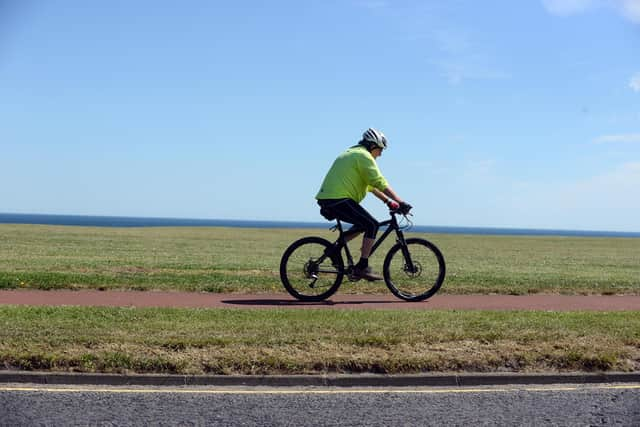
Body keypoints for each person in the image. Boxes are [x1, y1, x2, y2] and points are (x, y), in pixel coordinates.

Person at [316, 128, 412, 281]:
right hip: (338, 199)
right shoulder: (364, 156)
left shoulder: (353, 153)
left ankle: (334, 249)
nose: (380, 154)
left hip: (331, 198)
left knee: (363, 224)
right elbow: (378, 181)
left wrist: (388, 201)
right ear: (373, 146)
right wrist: (400, 202)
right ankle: (362, 267)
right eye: (380, 150)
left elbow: (369, 185)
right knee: (372, 225)